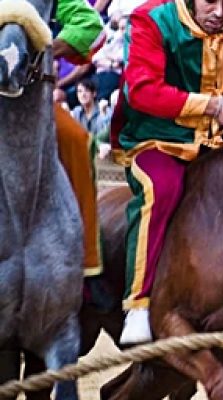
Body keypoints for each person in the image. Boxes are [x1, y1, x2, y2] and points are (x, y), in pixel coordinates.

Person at [110, 0, 223, 344]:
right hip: (158, 139)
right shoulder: (150, 18)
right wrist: (214, 106)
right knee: (161, 189)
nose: (221, 11)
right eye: (212, 1)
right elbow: (143, 91)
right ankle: (139, 304)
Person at [49, 0, 108, 305]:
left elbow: (91, 27)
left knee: (79, 140)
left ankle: (89, 263)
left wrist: (48, 48)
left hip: (31, 94)